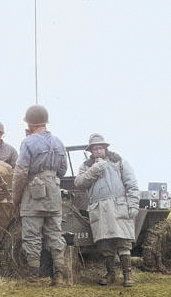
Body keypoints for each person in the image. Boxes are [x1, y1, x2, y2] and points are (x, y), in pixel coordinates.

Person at [11, 105, 69, 285]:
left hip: (33, 195)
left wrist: (16, 197)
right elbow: (63, 170)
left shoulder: (27, 142)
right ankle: (59, 276)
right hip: (53, 194)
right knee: (55, 235)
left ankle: (33, 277)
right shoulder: (59, 142)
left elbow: (20, 173)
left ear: (29, 123)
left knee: (32, 236)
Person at [74, 133, 139, 287]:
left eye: (101, 148)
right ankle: (110, 274)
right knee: (104, 244)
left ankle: (127, 275)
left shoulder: (118, 162)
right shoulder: (86, 166)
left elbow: (132, 184)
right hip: (99, 209)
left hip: (119, 206)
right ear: (91, 151)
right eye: (95, 149)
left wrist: (133, 204)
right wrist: (95, 169)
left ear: (106, 148)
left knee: (123, 242)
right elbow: (79, 183)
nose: (98, 151)